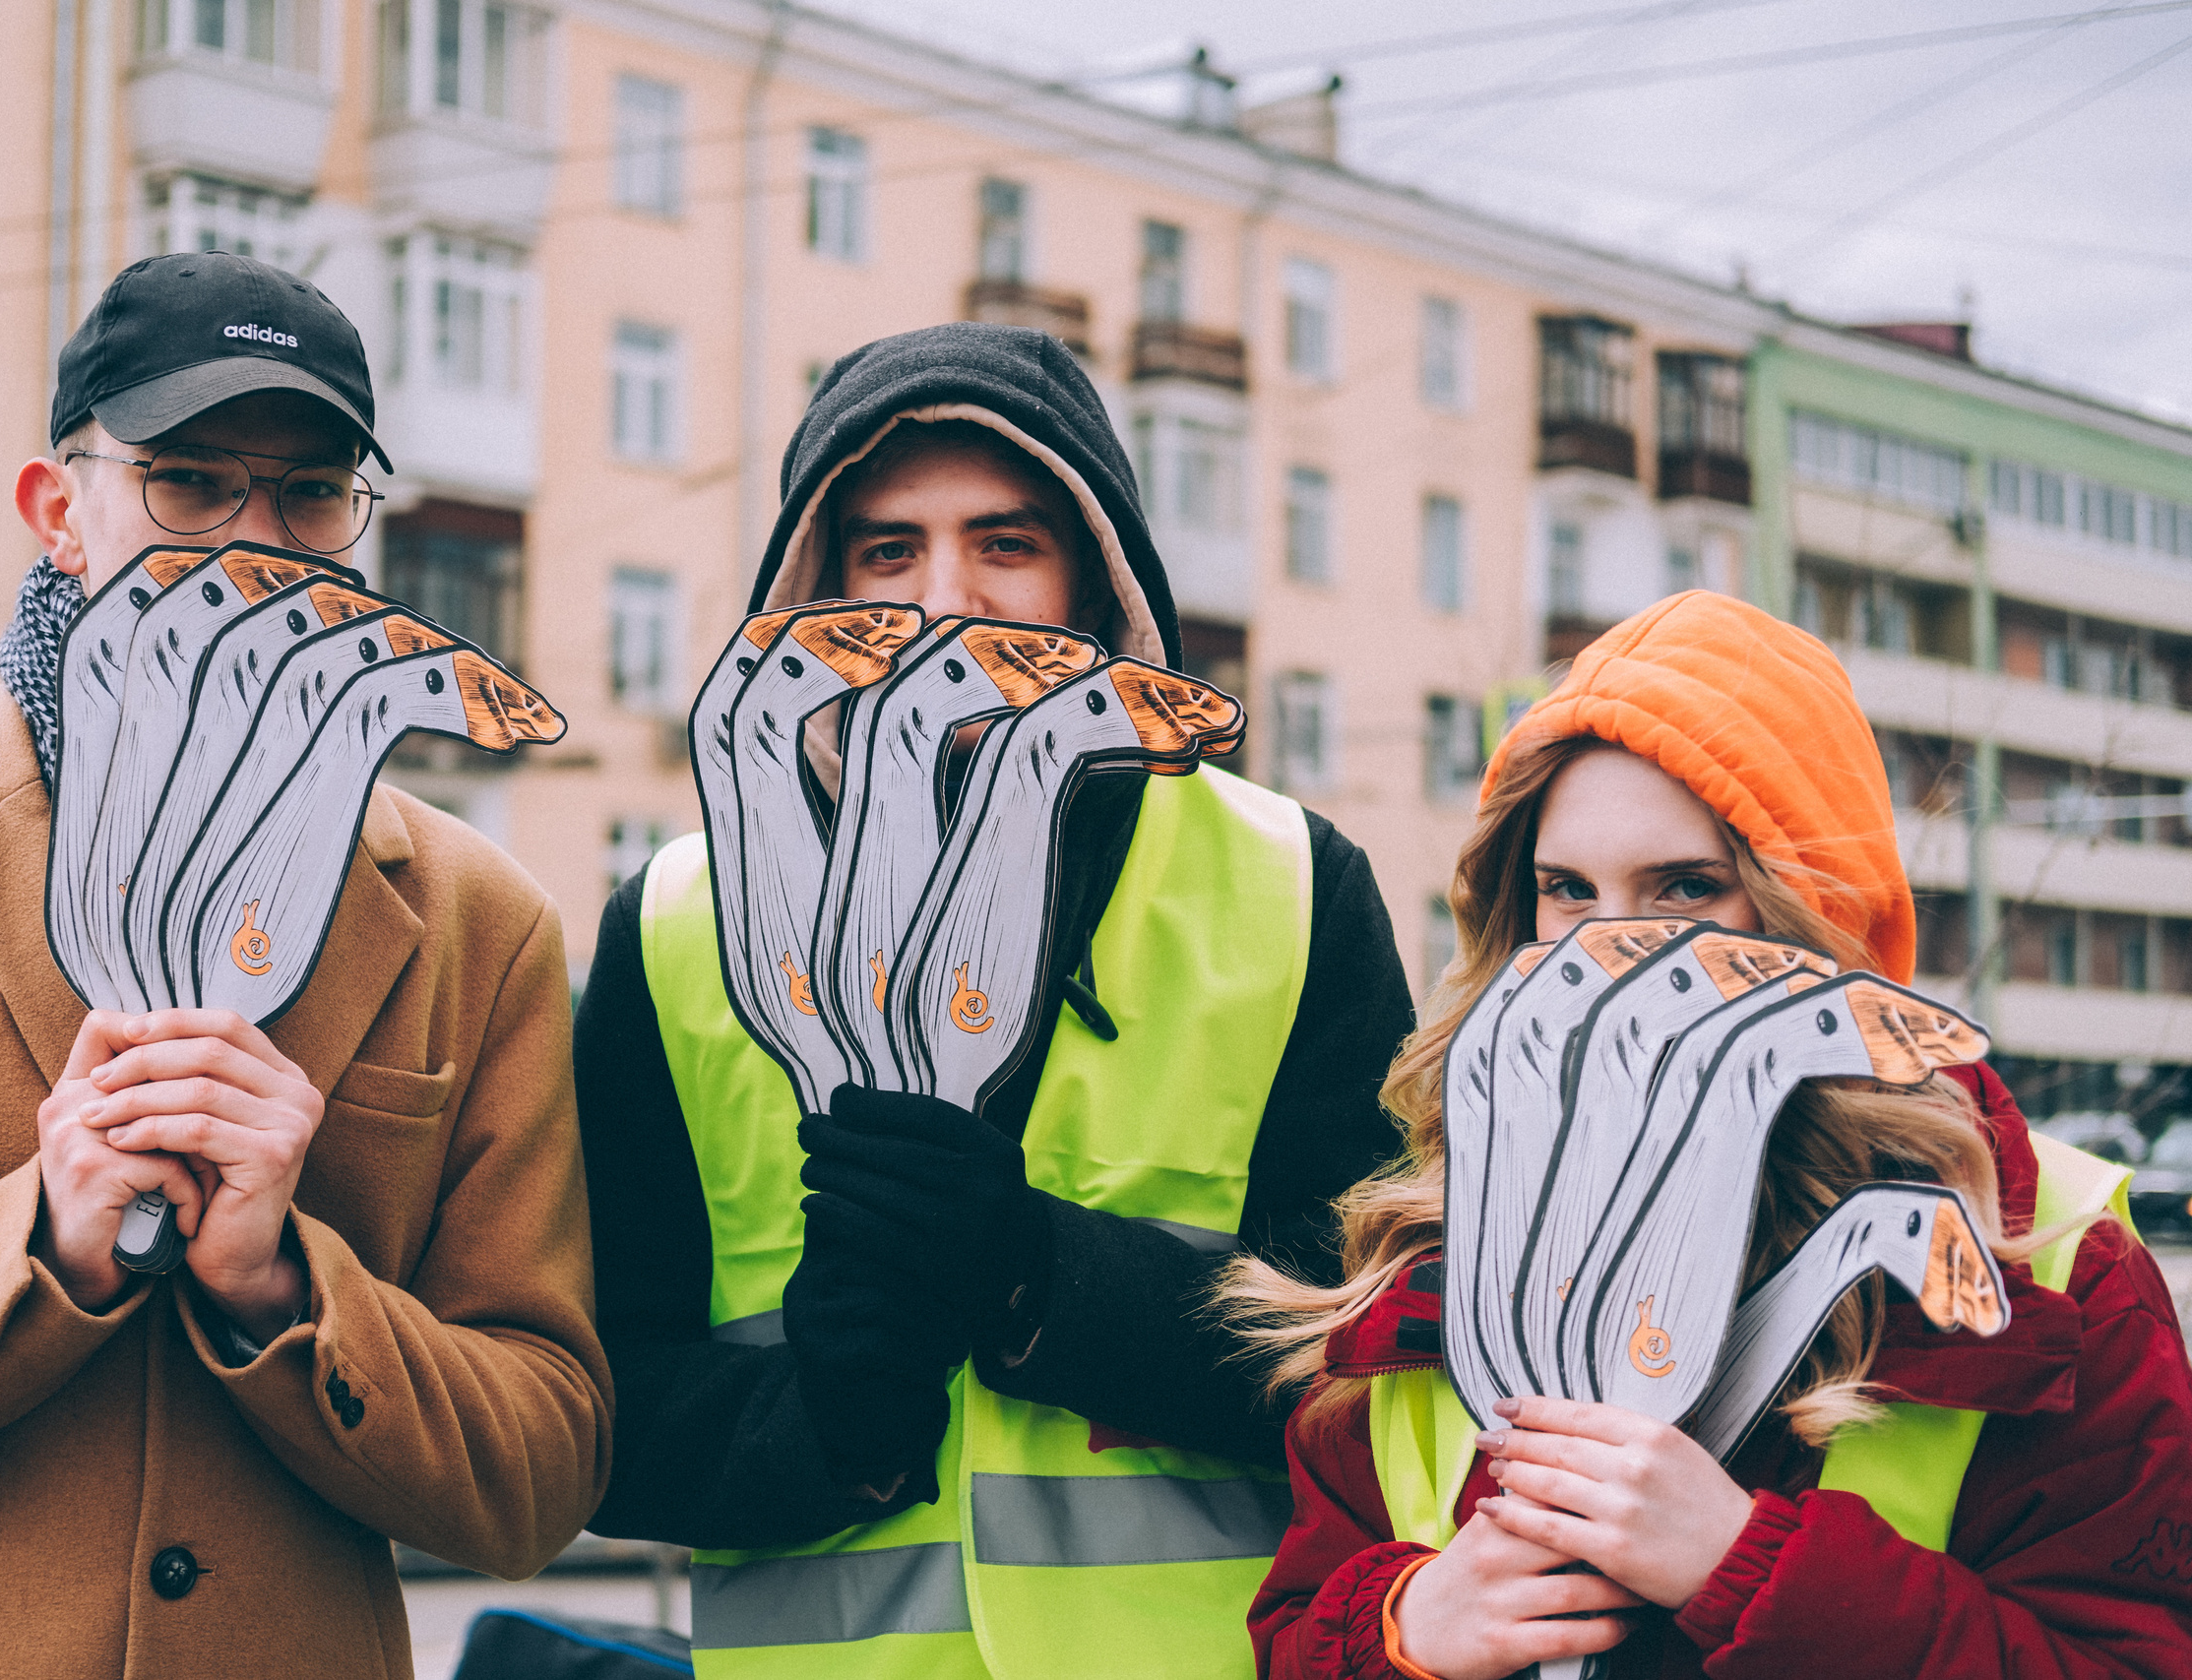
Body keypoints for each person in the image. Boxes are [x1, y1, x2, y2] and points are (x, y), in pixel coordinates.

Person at [0, 252, 610, 1678]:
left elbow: (543, 1468)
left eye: (309, 493)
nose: (256, 542)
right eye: (186, 477)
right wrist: (30, 1250)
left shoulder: (485, 919)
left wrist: (287, 1288)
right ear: (60, 508)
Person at [574, 321, 1416, 1677]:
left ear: (1093, 579)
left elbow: (1376, 1370)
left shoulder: (1293, 882)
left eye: (1006, 542)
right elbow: (587, 1412)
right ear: (816, 591)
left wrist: (1040, 1275)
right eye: (887, 549)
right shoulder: (678, 923)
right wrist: (822, 1421)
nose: (942, 600)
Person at [1232, 590, 2192, 1680]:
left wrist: (1749, 1566)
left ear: (1816, 918)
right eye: (1564, 891)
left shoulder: (2054, 1265)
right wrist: (1404, 1628)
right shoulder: (1435, 1239)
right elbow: (1298, 1630)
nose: (1608, 953)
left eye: (1684, 889)